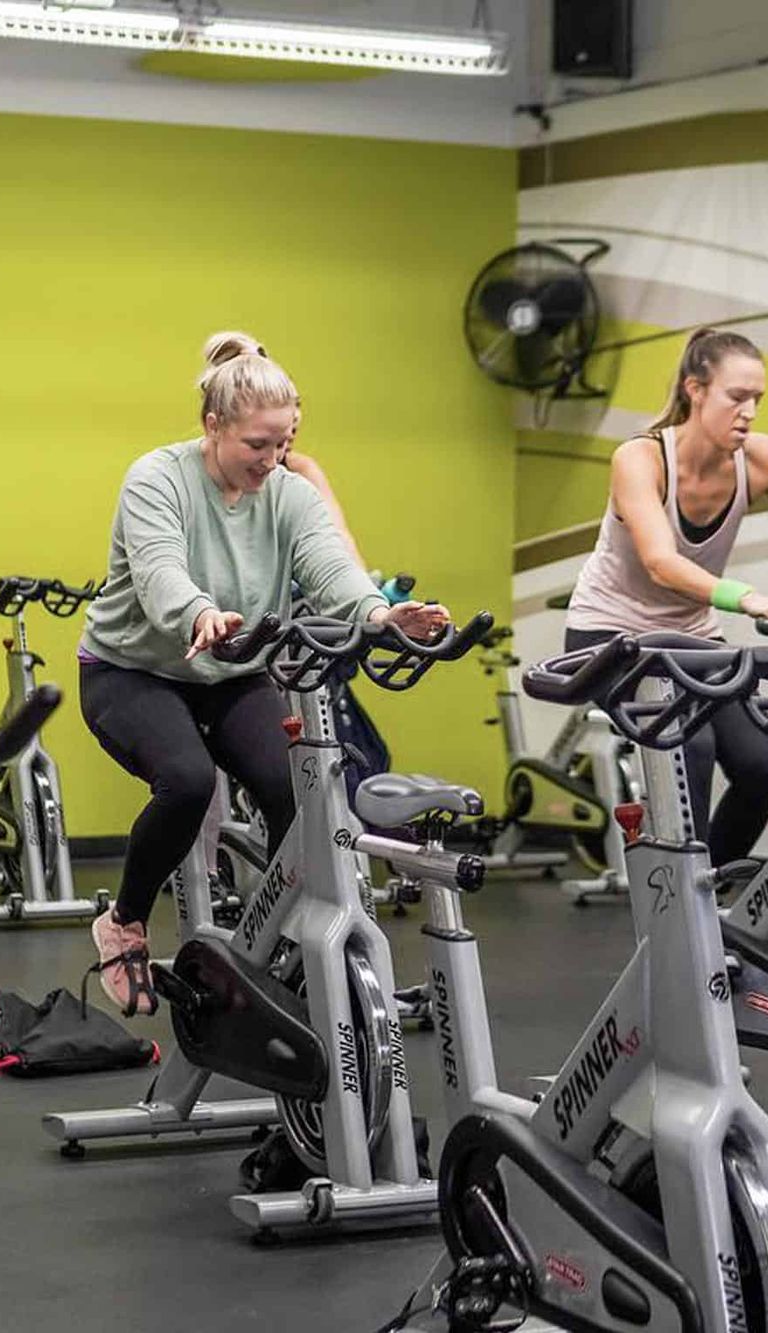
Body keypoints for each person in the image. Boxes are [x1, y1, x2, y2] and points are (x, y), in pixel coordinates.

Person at [79, 331, 447, 1015]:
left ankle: (277, 942)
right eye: (257, 444)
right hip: (132, 671)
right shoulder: (157, 478)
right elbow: (159, 569)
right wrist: (198, 612)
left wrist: (381, 614)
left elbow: (330, 567)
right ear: (212, 425)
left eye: (283, 444)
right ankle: (124, 922)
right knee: (188, 781)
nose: (271, 460)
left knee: (294, 789)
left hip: (231, 674)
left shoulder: (288, 493)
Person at [566, 326, 768, 866]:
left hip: (694, 638)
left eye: (757, 399)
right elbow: (661, 562)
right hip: (611, 635)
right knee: (689, 747)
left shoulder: (766, 460)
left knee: (759, 766)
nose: (749, 412)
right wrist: (746, 598)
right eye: (737, 396)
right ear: (696, 390)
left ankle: (709, 885)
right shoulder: (642, 459)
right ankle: (679, 899)